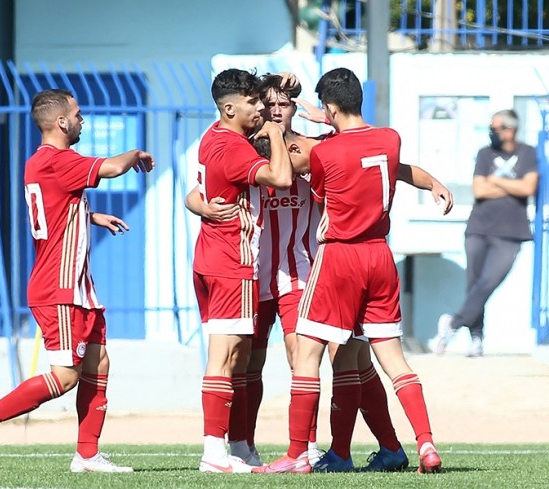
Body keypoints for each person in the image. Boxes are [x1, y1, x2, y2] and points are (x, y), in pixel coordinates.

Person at [254, 67, 442, 475]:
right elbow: (389, 164)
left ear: (330, 108)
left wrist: (292, 130)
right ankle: (423, 443)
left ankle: (298, 453)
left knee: (308, 353)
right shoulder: (389, 139)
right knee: (384, 360)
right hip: (380, 256)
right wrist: (432, 183)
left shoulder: (323, 152)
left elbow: (313, 179)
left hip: (339, 257)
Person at [0, 88, 154, 473]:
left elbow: (56, 208)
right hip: (58, 287)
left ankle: (87, 455)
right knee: (65, 377)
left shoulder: (42, 163)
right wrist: (134, 154)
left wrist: (91, 217)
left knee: (98, 363)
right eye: (78, 114)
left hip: (77, 286)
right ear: (62, 122)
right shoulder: (58, 160)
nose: (83, 120)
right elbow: (111, 168)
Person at [191, 68, 294, 474]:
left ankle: (236, 446)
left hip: (216, 257)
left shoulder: (215, 136)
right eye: (252, 102)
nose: (261, 108)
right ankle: (213, 453)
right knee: (225, 356)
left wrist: (198, 204)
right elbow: (282, 177)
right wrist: (275, 134)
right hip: (230, 261)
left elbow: (196, 192)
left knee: (238, 358)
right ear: (230, 108)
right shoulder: (233, 147)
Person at [434, 109, 538, 357]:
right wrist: (512, 186)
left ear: (510, 131)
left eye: (495, 128)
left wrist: (495, 181)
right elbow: (479, 190)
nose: (492, 133)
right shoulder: (485, 153)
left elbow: (528, 187)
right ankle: (476, 338)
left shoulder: (527, 153)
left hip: (511, 232)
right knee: (474, 284)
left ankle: (453, 324)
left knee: (488, 283)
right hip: (478, 229)